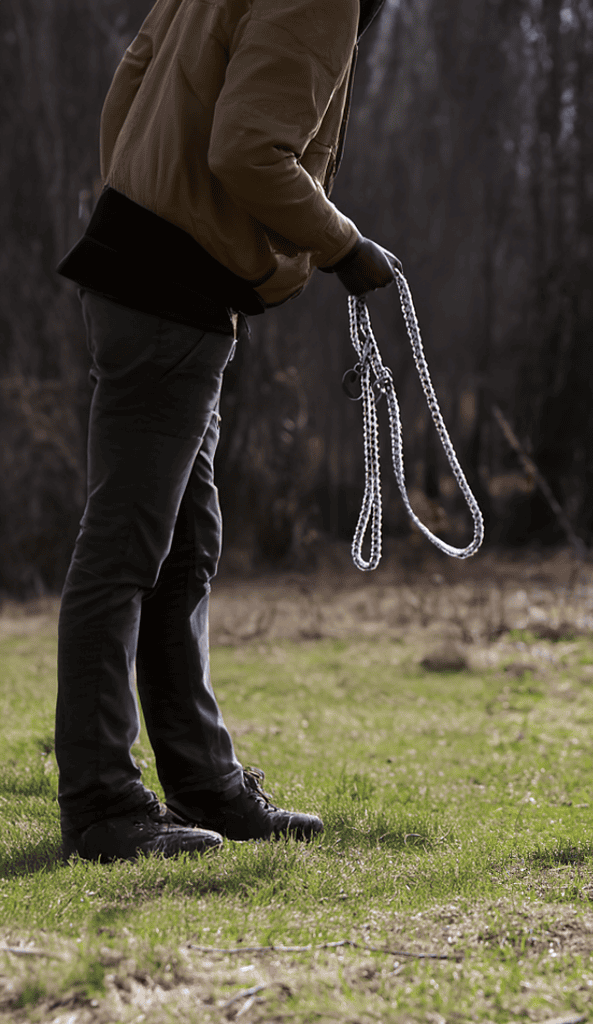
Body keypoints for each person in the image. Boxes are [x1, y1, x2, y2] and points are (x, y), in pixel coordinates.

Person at [54, 0, 399, 862]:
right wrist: (343, 247)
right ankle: (101, 801)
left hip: (148, 277)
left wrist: (143, 204)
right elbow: (249, 151)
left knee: (181, 547)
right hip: (167, 292)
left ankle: (201, 778)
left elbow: (125, 92)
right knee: (126, 550)